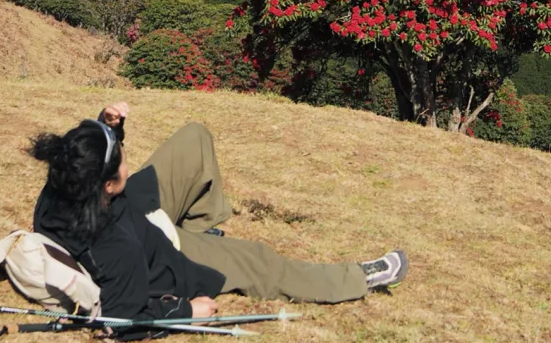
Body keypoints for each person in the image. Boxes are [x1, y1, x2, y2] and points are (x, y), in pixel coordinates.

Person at [30, 100, 408, 322]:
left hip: (134, 210)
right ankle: (357, 278)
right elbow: (121, 317)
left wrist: (107, 127)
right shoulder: (119, 251)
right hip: (162, 246)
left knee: (194, 137)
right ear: (109, 184)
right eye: (122, 159)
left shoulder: (65, 178)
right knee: (259, 261)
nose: (128, 160)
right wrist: (186, 311)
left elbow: (87, 160)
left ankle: (201, 228)